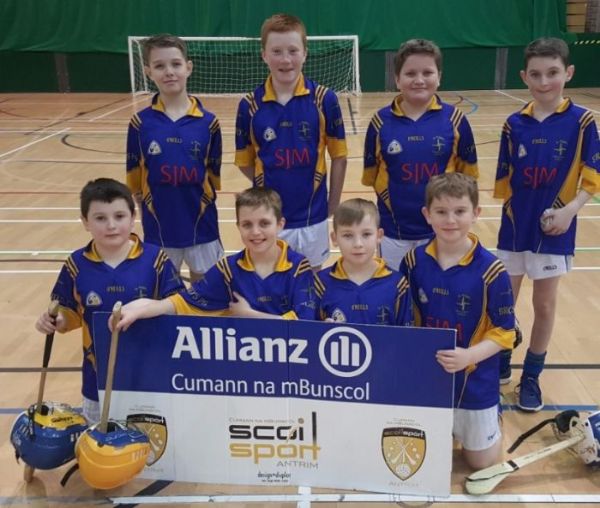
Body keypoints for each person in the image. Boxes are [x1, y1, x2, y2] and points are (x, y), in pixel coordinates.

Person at [494, 37, 600, 411]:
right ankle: (501, 358)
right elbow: (505, 181)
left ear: (568, 73)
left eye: (552, 73)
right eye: (536, 75)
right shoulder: (513, 123)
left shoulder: (582, 121)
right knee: (503, 302)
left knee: (544, 304)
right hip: (514, 226)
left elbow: (592, 174)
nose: (544, 82)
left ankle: (531, 377)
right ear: (524, 77)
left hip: (556, 228)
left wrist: (570, 210)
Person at [34, 178, 184, 423]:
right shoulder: (76, 264)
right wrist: (55, 321)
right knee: (98, 439)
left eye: (119, 216)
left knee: (150, 439)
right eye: (100, 218)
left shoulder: (155, 260)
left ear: (133, 217)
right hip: (97, 378)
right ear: (85, 222)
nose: (111, 225)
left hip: (149, 374)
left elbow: (178, 305)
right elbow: (68, 313)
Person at [400, 173, 515, 469]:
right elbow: (403, 318)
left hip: (475, 376)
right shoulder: (413, 262)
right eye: (441, 211)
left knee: (481, 463)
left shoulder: (492, 270)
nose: (450, 220)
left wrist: (469, 356)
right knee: (421, 455)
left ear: (476, 213)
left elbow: (506, 332)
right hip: (427, 375)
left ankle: (493, 417)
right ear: (427, 215)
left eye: (460, 211)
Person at [114, 187, 318, 331]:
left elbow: (305, 325)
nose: (256, 232)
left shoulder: (299, 267)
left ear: (280, 224)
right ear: (238, 226)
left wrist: (249, 315)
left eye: (264, 223)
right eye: (247, 224)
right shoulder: (228, 269)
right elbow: (186, 301)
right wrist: (145, 307)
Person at [234, 13, 348, 270]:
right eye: (276, 51)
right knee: (271, 277)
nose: (285, 59)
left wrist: (332, 204)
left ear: (305, 53)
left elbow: (339, 157)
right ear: (264, 55)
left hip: (313, 217)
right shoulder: (249, 105)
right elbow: (244, 161)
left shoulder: (324, 99)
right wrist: (266, 185)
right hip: (268, 217)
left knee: (312, 279)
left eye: (293, 50)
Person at [363, 39, 479, 270]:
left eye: (427, 72)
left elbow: (468, 180)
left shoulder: (455, 120)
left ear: (439, 77)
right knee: (396, 289)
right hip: (393, 232)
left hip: (441, 231)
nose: (419, 80)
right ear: (397, 79)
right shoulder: (380, 122)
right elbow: (373, 178)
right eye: (410, 73)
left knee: (437, 290)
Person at [126, 34, 223, 282]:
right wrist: (149, 218)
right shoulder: (139, 123)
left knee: (206, 293)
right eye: (160, 66)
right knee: (163, 293)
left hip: (202, 226)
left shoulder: (209, 123)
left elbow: (212, 179)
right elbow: (136, 183)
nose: (169, 72)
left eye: (176, 64)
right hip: (159, 229)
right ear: (148, 72)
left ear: (188, 67)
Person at [315, 198, 412, 326]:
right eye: (348, 235)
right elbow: (308, 332)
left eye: (366, 234)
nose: (358, 244)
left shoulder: (398, 284)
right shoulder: (320, 284)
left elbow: (406, 334)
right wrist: (320, 331)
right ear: (334, 238)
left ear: (379, 236)